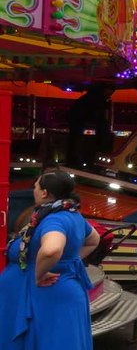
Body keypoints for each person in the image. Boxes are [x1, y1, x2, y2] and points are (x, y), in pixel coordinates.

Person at [0, 171, 100, 349]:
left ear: (44, 193)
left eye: (36, 187)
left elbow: (51, 250)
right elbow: (94, 240)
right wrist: (67, 262)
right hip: (58, 293)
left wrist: (39, 274)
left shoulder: (54, 219)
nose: (34, 191)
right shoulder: (72, 213)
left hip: (44, 297)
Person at [65, 83, 114, 166]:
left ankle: (76, 161)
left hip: (79, 122)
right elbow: (97, 115)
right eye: (108, 93)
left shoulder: (88, 98)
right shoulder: (96, 100)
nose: (109, 96)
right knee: (81, 142)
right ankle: (88, 160)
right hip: (82, 122)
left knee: (76, 142)